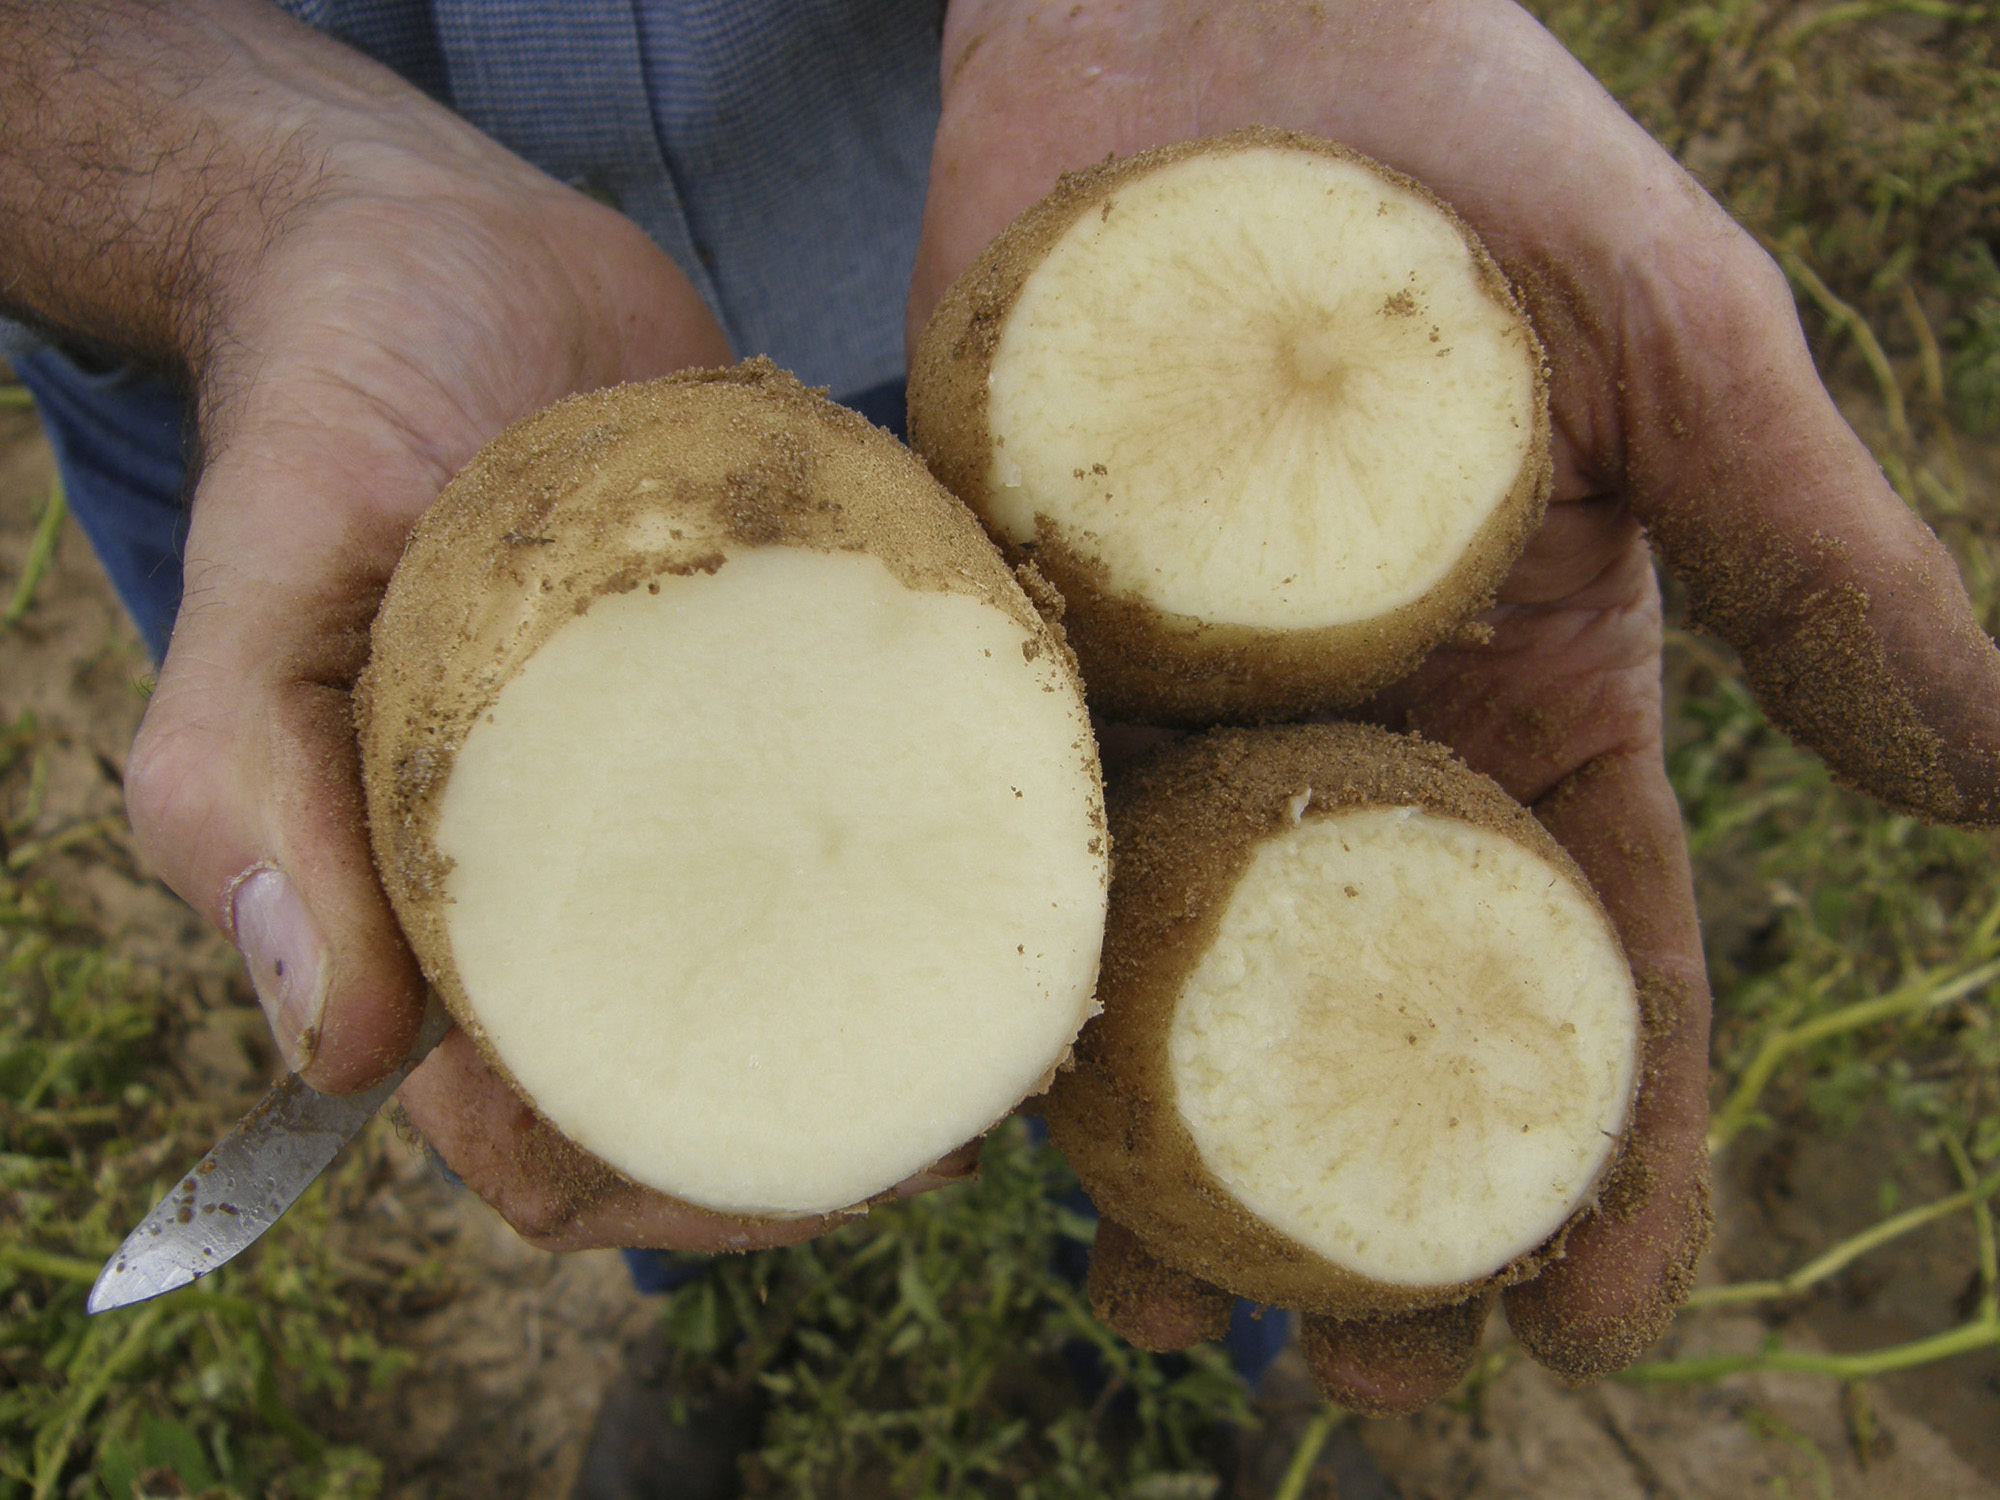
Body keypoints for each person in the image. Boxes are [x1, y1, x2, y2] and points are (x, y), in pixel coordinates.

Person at [5, 0, 1997, 1427]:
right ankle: (719, 1318)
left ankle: (1146, 1384)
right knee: (629, 1073)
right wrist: (249, 188)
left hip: (1014, 214)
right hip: (306, 340)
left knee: (1082, 1079)